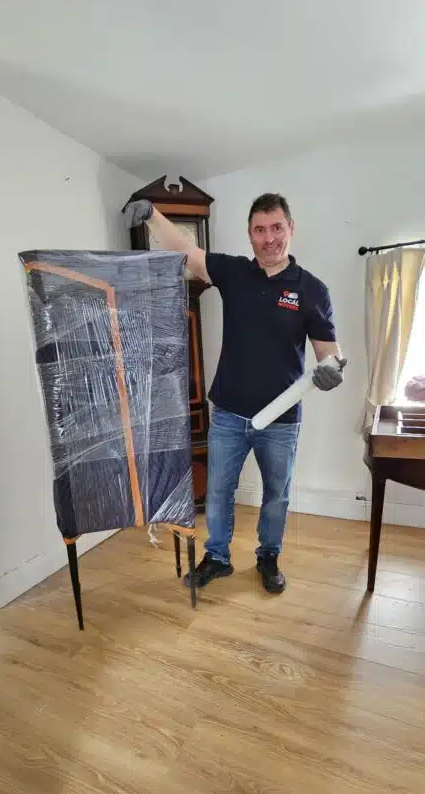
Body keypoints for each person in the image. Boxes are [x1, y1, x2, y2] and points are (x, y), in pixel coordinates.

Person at [124, 193, 345, 594]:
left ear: (290, 229)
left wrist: (332, 372)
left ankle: (268, 557)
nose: (269, 238)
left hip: (281, 420)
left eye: (277, 227)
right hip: (227, 414)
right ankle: (219, 558)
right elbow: (187, 251)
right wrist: (152, 215)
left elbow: (330, 356)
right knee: (220, 491)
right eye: (260, 230)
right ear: (250, 235)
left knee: (276, 495)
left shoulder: (312, 290)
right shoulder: (235, 273)